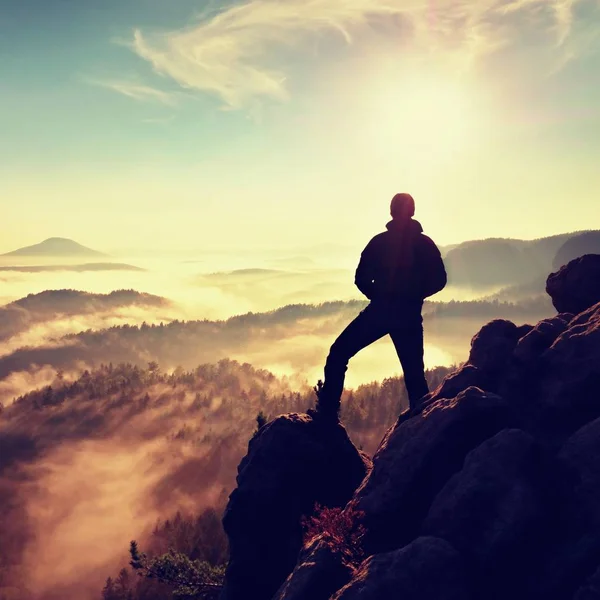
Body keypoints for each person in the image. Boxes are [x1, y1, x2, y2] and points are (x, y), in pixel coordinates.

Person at [313, 193, 447, 422]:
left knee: (338, 354)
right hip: (408, 316)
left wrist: (379, 296)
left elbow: (361, 278)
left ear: (391, 212)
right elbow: (439, 280)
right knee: (415, 379)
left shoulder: (380, 242)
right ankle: (425, 429)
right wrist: (414, 296)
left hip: (380, 312)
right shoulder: (424, 244)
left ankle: (327, 416)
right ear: (413, 211)